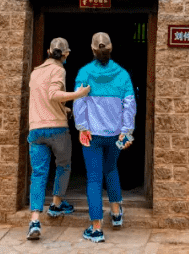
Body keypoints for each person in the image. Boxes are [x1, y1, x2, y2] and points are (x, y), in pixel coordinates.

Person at [74, 32, 136, 244]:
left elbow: (79, 102)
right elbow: (130, 105)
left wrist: (82, 127)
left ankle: (96, 228)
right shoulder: (123, 74)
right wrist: (126, 131)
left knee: (93, 178)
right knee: (111, 169)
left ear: (92, 50)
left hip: (91, 135)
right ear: (111, 50)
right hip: (115, 135)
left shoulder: (84, 72)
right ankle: (117, 214)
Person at [26, 37, 90, 241]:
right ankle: (56, 204)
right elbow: (54, 94)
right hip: (56, 129)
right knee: (63, 166)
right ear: (66, 54)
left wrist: (65, 108)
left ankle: (35, 220)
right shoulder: (59, 70)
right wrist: (79, 94)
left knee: (38, 173)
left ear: (47, 51)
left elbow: (44, 99)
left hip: (36, 129)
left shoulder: (35, 72)